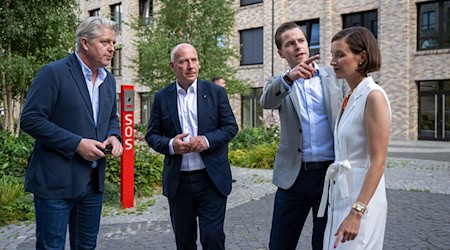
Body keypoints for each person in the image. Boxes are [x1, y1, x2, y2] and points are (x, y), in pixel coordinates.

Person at [20, 16, 123, 249]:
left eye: (113, 42)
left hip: (92, 183)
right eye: (105, 42)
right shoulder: (53, 73)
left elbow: (111, 119)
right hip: (55, 183)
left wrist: (114, 136)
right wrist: (76, 144)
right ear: (85, 43)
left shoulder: (108, 80)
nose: (111, 48)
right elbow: (30, 119)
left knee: (86, 246)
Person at [260, 22, 349, 250]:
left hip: (329, 176)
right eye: (290, 44)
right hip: (294, 178)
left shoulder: (335, 77)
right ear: (281, 53)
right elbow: (267, 101)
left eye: (300, 40)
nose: (297, 46)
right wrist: (290, 78)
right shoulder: (278, 83)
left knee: (325, 244)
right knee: (280, 244)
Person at [145, 43, 238, 250]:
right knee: (185, 242)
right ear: (172, 66)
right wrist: (171, 145)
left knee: (213, 238)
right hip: (179, 184)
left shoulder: (215, 93)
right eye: (183, 61)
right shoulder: (162, 97)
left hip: (211, 180)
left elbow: (231, 127)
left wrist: (206, 140)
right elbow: (151, 135)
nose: (190, 66)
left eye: (194, 60)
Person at [318, 26, 391, 249]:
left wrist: (357, 212)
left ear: (362, 57)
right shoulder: (350, 95)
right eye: (332, 55)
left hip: (361, 200)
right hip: (340, 193)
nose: (332, 61)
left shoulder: (373, 96)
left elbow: (378, 160)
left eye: (340, 55)